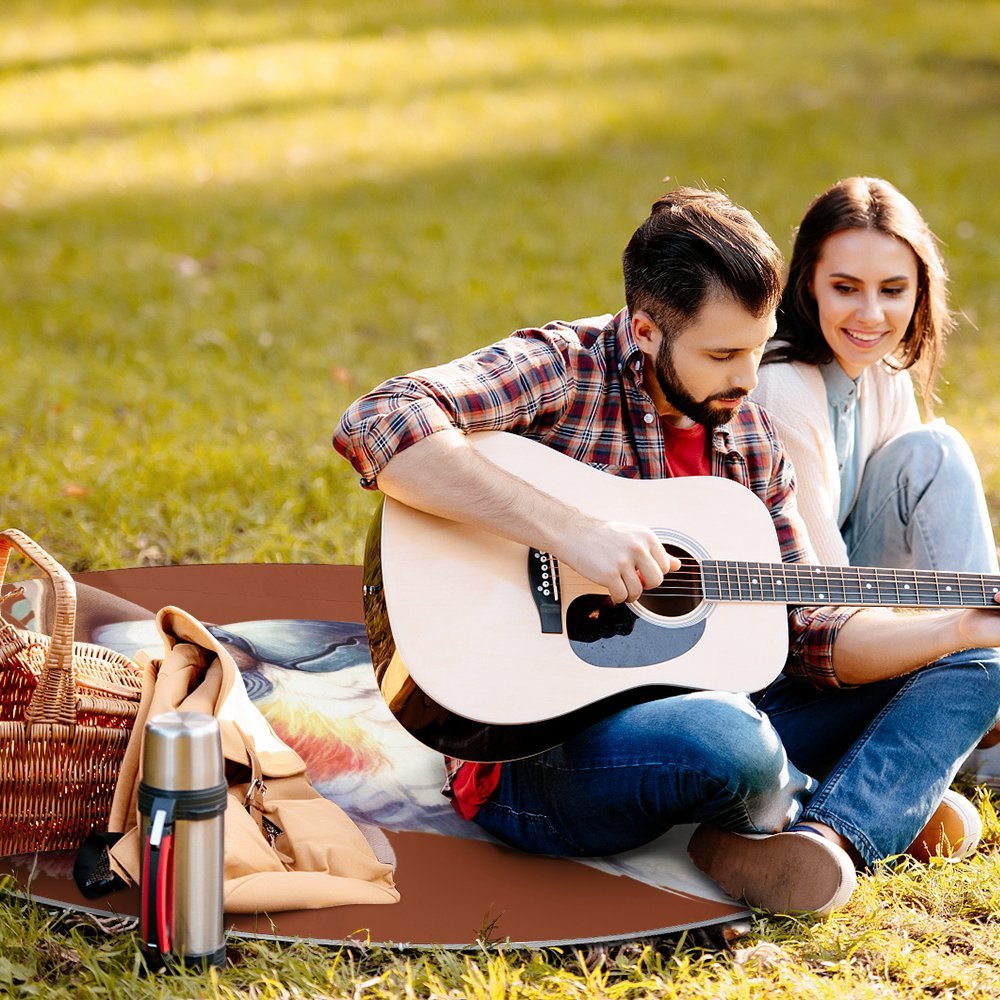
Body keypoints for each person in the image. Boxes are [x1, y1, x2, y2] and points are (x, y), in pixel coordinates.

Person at [333, 187, 1000, 916]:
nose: (748, 380)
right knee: (729, 742)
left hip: (725, 708)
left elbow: (810, 629)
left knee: (980, 664)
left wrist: (956, 628)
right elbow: (380, 419)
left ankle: (830, 836)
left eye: (757, 346)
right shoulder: (564, 367)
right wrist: (569, 531)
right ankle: (855, 795)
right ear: (646, 330)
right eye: (722, 354)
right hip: (536, 755)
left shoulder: (748, 436)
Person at [753, 176, 1000, 791]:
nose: (871, 315)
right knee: (937, 451)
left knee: (931, 451)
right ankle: (976, 708)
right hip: (796, 647)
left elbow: (921, 536)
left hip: (862, 609)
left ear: (920, 291)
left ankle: (977, 696)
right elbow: (824, 602)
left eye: (893, 290)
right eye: (845, 288)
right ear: (807, 281)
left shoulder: (882, 371)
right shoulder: (783, 385)